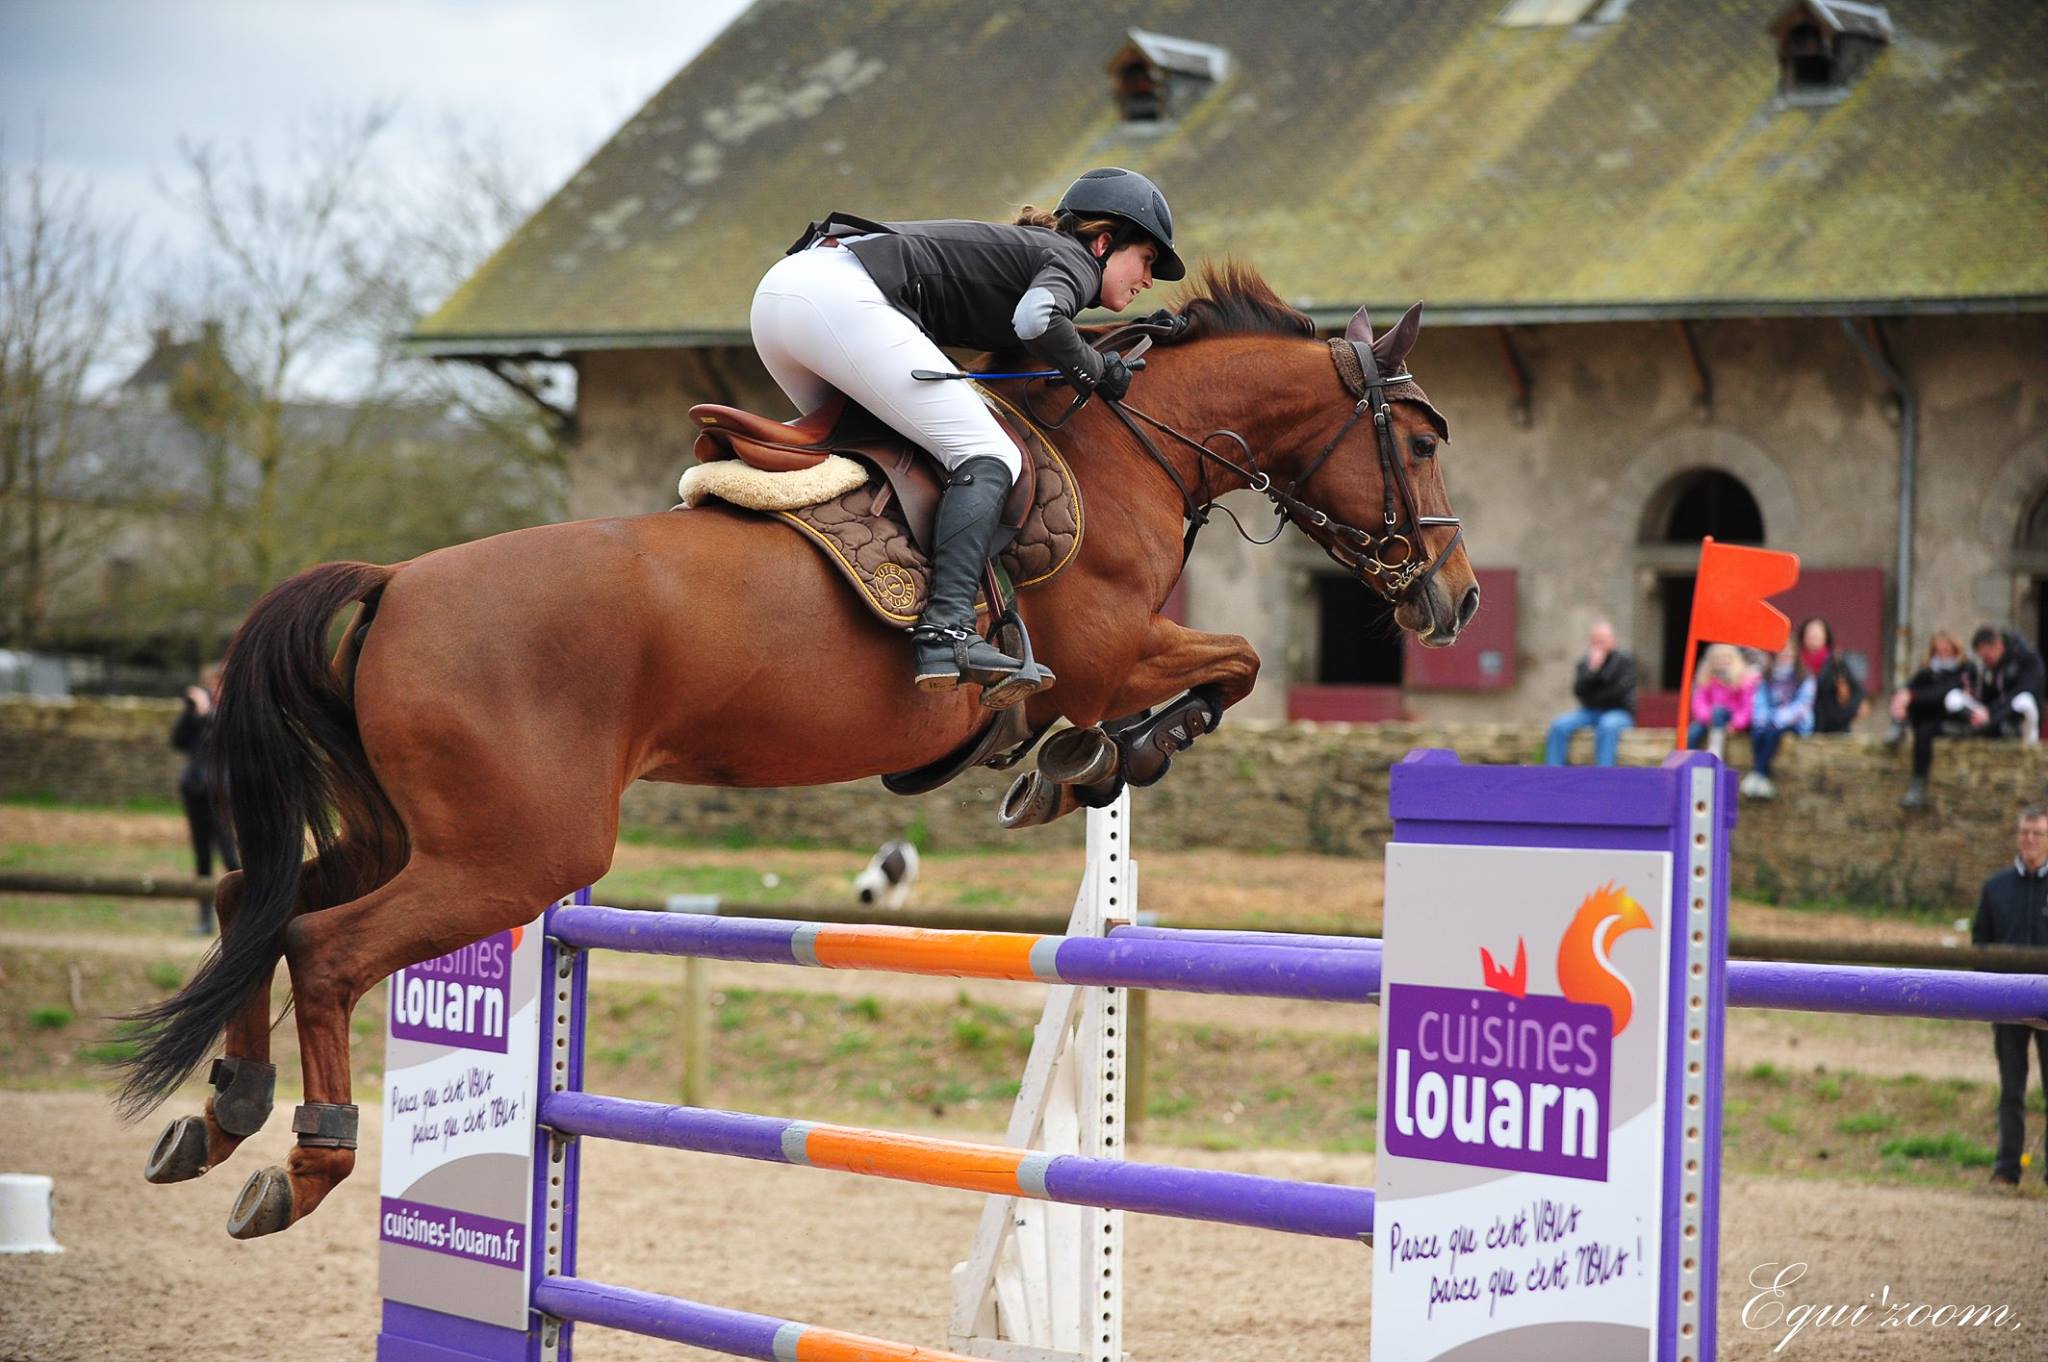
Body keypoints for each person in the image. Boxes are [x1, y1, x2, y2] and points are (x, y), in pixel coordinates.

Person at [754, 167, 1184, 706]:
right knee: (989, 451)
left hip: (784, 301)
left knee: (901, 458)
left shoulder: (1036, 256)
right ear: (1103, 241)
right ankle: (947, 632)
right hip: (836, 298)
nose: (1149, 278)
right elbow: (1037, 320)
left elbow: (1037, 327)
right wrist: (1096, 369)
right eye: (1146, 260)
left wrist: (1132, 337)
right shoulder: (1071, 258)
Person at [1974, 806, 2048, 1186]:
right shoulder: (1996, 887)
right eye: (2025, 832)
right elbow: (1980, 943)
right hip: (2006, 1003)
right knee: (2011, 1089)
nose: (2030, 840)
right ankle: (2007, 1168)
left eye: (2037, 833)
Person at [169, 663, 239, 933]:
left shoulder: (233, 710)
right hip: (195, 789)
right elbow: (178, 741)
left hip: (220, 791)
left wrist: (205, 714)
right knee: (201, 856)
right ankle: (204, 920)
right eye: (209, 684)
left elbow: (227, 737)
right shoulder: (200, 713)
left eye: (217, 683)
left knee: (228, 853)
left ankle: (244, 911)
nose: (212, 688)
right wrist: (191, 714)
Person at [1891, 632, 1978, 810]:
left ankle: (1918, 784)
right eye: (1938, 651)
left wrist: (1912, 696)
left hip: (1954, 717)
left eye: (1947, 650)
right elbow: (1910, 687)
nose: (1943, 655)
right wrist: (1902, 699)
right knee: (1919, 721)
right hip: (1930, 718)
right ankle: (1898, 724)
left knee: (1923, 718)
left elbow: (1943, 693)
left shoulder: (1966, 669)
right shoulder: (1929, 670)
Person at [1543, 620, 1637, 767]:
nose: (1599, 646)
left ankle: (1603, 775)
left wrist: (1598, 675)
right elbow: (1579, 691)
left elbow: (1618, 693)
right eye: (1595, 642)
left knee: (1607, 727)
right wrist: (1592, 671)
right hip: (1589, 711)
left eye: (1603, 641)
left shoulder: (1624, 661)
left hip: (1618, 711)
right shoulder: (1585, 663)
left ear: (1613, 640)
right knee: (1559, 725)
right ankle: (1552, 772)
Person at [1742, 640, 1814, 799]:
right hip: (1770, 719)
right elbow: (1760, 700)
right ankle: (1761, 777)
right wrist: (1762, 719)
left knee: (1773, 732)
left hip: (1796, 721)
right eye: (1782, 651)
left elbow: (1802, 705)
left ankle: (1758, 774)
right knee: (1758, 731)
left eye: (1789, 651)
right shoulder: (1767, 675)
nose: (1785, 654)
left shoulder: (1804, 677)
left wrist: (1779, 718)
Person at [1971, 626, 2044, 746]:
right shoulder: (1992, 668)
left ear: (1998, 644)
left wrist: (1991, 713)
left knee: (2023, 700)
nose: (1985, 661)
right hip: (2000, 718)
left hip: (2025, 722)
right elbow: (1990, 696)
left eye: (1987, 656)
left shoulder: (2029, 659)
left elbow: (2023, 692)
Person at [1686, 644, 1756, 758]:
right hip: (1711, 719)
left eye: (1726, 657)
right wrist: (1708, 717)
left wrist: (1736, 724)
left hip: (1731, 718)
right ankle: (1687, 758)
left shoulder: (1743, 680)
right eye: (1717, 658)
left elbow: (1747, 706)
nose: (1722, 661)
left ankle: (1715, 748)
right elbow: (1699, 703)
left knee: (1719, 711)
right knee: (1694, 731)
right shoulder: (1706, 679)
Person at [1797, 616, 1863, 734]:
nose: (1814, 635)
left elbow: (1857, 691)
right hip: (1802, 729)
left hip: (1835, 729)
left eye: (1818, 632)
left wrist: (1844, 715)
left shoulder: (1836, 662)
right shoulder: (1796, 663)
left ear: (1826, 636)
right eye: (1810, 631)